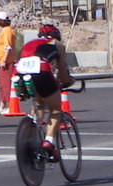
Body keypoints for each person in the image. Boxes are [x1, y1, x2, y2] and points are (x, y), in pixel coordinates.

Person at [14, 24, 75, 162]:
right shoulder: (57, 44)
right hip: (41, 70)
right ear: (56, 36)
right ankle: (49, 142)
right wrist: (68, 82)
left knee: (38, 105)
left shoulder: (29, 43)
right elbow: (63, 74)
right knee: (55, 109)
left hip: (19, 73)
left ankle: (30, 136)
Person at [0, 11, 16, 115]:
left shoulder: (7, 31)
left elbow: (8, 47)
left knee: (6, 85)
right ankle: (2, 105)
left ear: (3, 21)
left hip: (5, 62)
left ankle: (10, 105)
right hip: (1, 62)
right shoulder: (4, 31)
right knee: (1, 85)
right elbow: (2, 44)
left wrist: (4, 60)